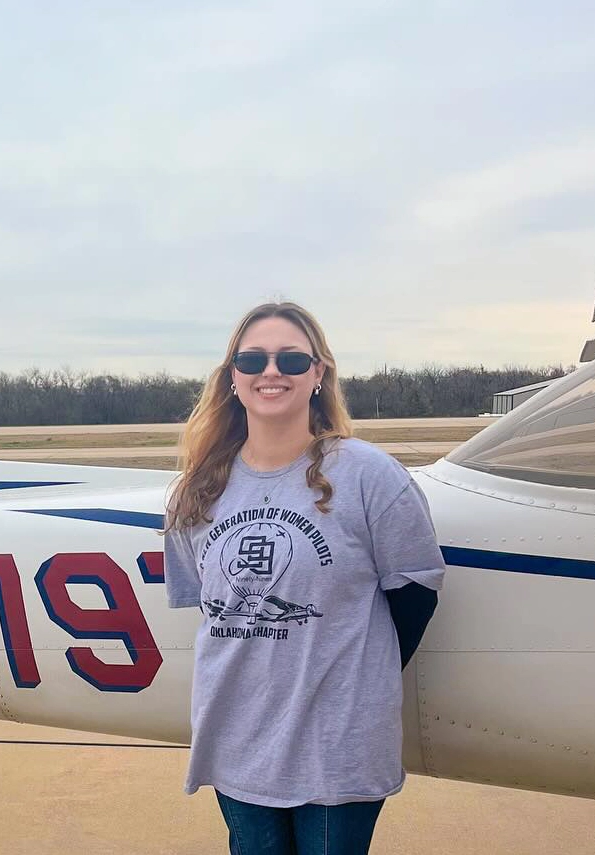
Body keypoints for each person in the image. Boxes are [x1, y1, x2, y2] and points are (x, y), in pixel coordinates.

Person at [163, 301, 444, 855]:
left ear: (318, 374)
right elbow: (218, 612)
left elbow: (415, 597)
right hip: (236, 736)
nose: (272, 372)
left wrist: (348, 676)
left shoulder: (369, 476)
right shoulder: (195, 492)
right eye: (254, 359)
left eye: (292, 359)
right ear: (233, 379)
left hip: (335, 743)